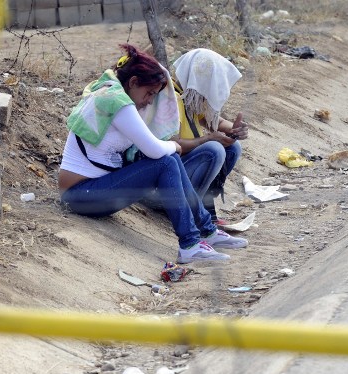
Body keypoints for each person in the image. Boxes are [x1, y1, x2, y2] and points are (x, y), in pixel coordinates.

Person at [58, 44, 247, 264]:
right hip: (79, 196)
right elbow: (155, 149)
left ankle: (206, 231)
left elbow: (159, 145)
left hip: (94, 189)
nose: (149, 100)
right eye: (149, 93)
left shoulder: (112, 92)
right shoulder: (118, 103)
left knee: (170, 159)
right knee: (166, 160)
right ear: (133, 82)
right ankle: (190, 244)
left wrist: (174, 149)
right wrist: (176, 146)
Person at [171, 48, 248, 225]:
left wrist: (234, 130)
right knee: (214, 150)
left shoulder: (188, 98)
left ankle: (204, 207)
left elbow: (214, 121)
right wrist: (207, 139)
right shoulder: (173, 99)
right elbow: (173, 145)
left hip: (181, 176)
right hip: (165, 184)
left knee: (232, 147)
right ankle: (191, 210)